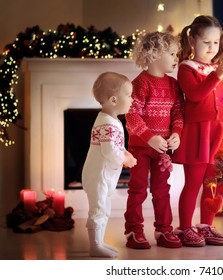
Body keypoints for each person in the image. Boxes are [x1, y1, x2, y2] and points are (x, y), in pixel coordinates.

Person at [172, 15, 223, 247]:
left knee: (212, 182)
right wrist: (217, 75)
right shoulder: (186, 68)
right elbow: (195, 94)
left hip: (219, 133)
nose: (212, 48)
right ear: (192, 41)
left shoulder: (218, 68)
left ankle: (206, 225)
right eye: (206, 42)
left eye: (216, 42)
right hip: (198, 133)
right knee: (193, 182)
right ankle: (185, 227)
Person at [124, 31, 184, 249]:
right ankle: (134, 230)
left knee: (161, 190)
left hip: (162, 150)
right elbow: (131, 115)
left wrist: (176, 134)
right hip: (140, 148)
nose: (176, 58)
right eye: (172, 53)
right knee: (138, 189)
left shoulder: (173, 85)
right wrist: (149, 138)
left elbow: (178, 113)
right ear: (154, 54)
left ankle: (163, 230)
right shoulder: (140, 84)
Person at [82, 72, 137, 258]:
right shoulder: (108, 124)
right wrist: (125, 159)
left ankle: (99, 242)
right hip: (99, 176)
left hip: (104, 175)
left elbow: (116, 146)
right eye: (128, 95)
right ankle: (95, 246)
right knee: (98, 209)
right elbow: (110, 152)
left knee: (104, 208)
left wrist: (126, 153)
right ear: (114, 100)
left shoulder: (111, 121)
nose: (132, 99)